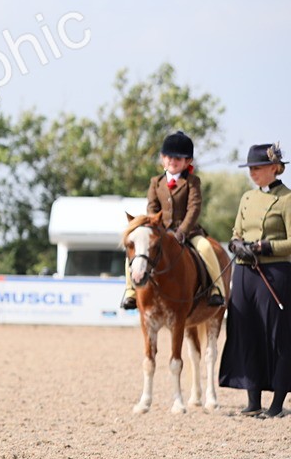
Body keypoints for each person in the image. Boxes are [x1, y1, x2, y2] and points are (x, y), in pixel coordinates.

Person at [219, 142, 290, 418]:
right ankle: (253, 400)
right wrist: (236, 245)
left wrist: (263, 247)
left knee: (277, 337)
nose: (253, 173)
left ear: (275, 167)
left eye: (257, 168)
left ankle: (277, 404)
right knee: (245, 332)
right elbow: (236, 231)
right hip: (244, 273)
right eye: (250, 168)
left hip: (274, 274)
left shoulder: (286, 199)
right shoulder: (247, 198)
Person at [121, 130, 224, 309]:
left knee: (206, 248)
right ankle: (130, 290)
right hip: (160, 231)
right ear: (162, 158)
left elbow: (194, 208)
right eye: (168, 157)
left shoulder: (192, 182)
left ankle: (216, 289)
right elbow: (152, 207)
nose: (172, 161)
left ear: (187, 162)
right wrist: (155, 226)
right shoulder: (156, 182)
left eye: (178, 158)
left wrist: (182, 231)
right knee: (136, 249)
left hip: (188, 232)